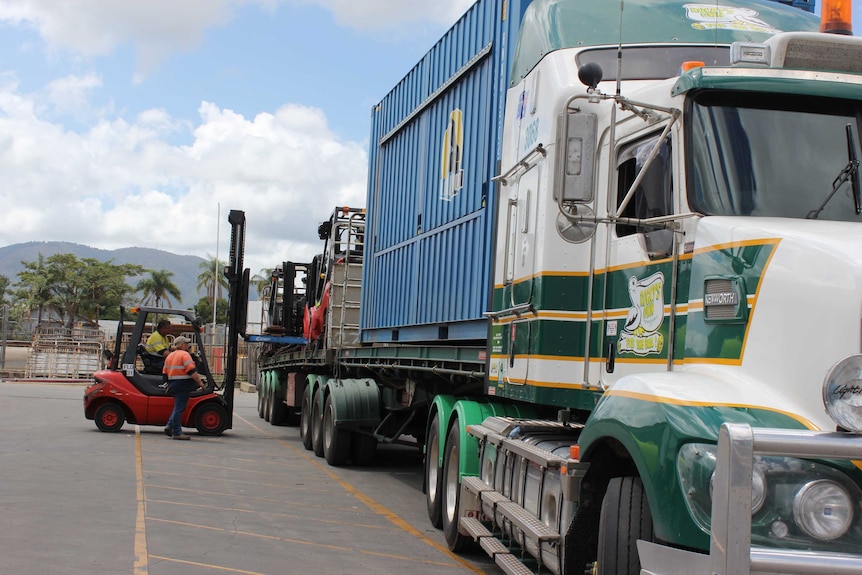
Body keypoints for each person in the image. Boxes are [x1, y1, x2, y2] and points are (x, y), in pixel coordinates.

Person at [162, 336, 207, 440]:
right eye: (186, 343)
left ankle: (169, 426)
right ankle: (177, 432)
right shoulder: (185, 355)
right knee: (179, 408)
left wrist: (167, 385)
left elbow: (164, 373)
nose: (188, 345)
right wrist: (200, 383)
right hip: (183, 385)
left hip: (173, 385)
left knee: (177, 407)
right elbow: (192, 371)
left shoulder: (170, 356)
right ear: (182, 345)